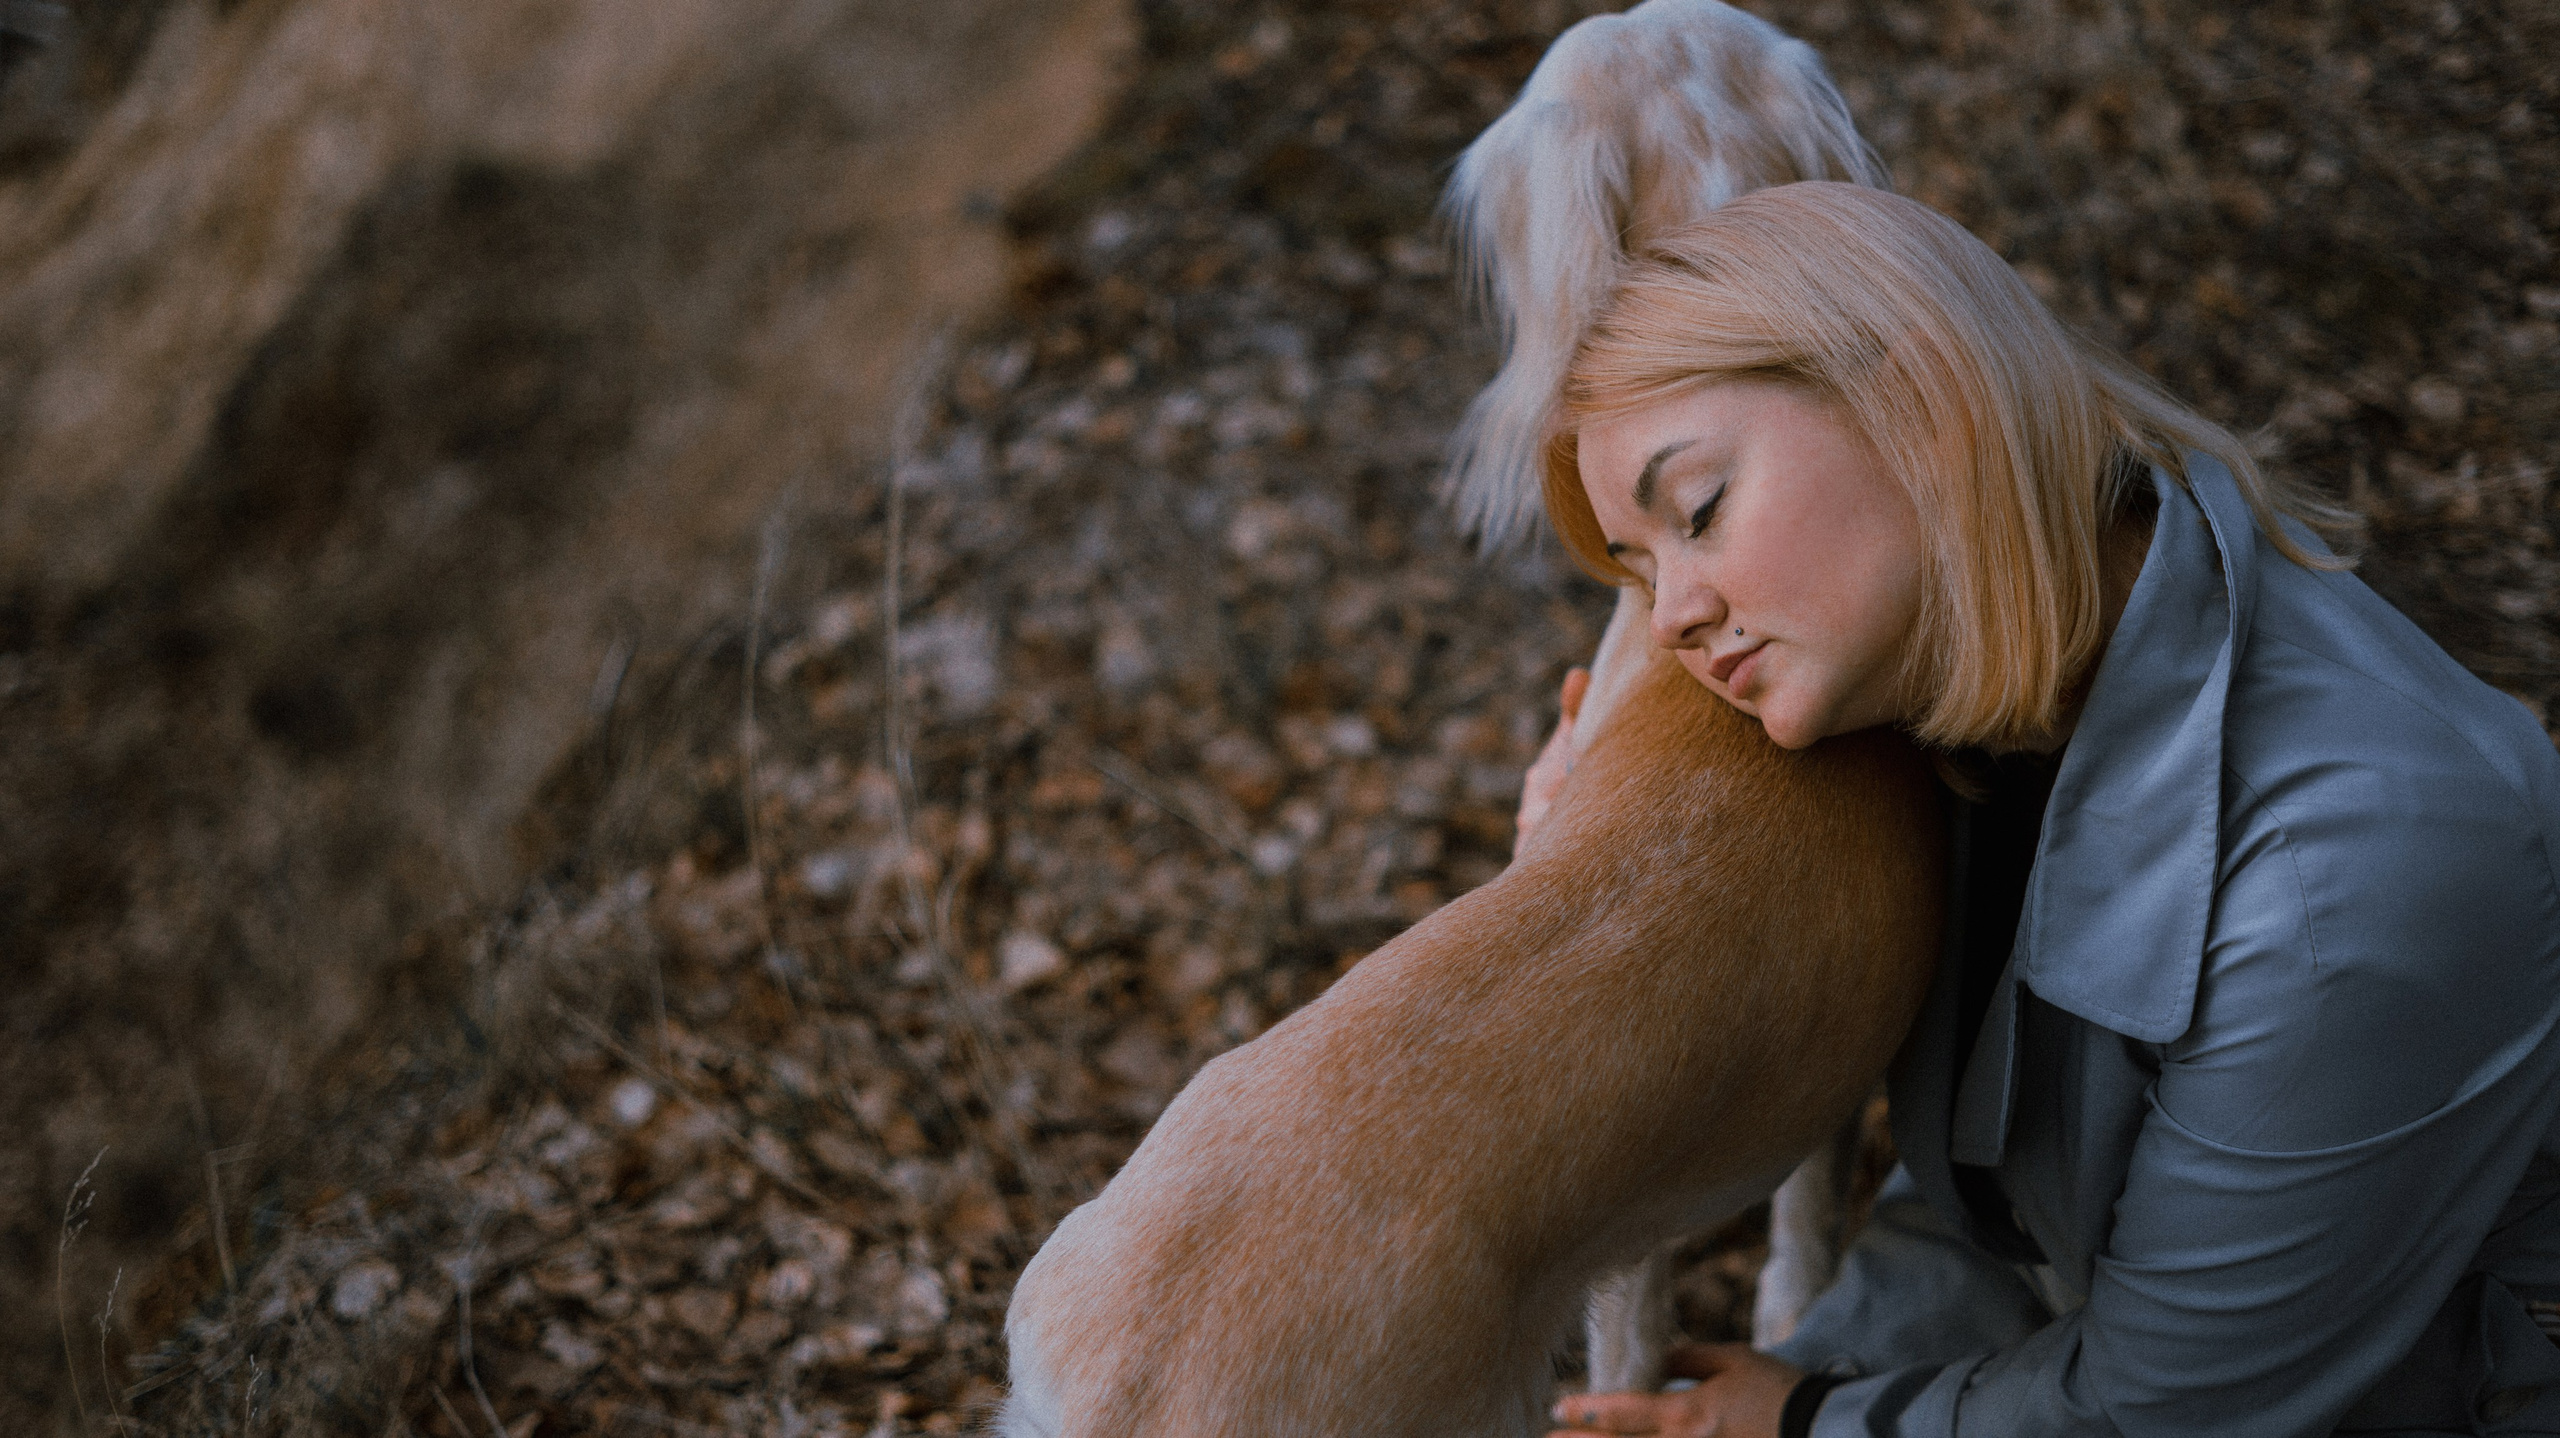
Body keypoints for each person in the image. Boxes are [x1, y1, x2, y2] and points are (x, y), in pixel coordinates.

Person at [1512, 181, 2560, 1437]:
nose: (1673, 609)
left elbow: (2172, 1410)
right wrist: (1571, 887)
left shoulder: (2342, 879)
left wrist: (1814, 1424)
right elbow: (2002, 1200)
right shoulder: (1979, 703)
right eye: (1639, 567)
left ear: (1924, 403)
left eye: (1698, 511)